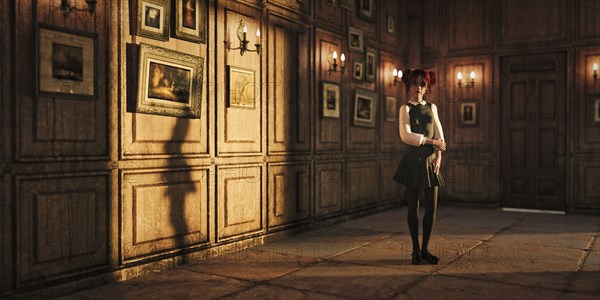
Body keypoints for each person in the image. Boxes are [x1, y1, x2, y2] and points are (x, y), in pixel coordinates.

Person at [393, 69, 446, 265]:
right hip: (412, 161)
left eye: (422, 84)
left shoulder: (432, 107)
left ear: (426, 87)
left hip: (431, 161)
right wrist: (433, 143)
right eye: (414, 83)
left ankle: (425, 250)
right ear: (409, 86)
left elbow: (440, 134)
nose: (418, 87)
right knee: (413, 207)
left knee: (432, 208)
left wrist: (439, 156)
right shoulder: (405, 108)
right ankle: (415, 250)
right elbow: (405, 135)